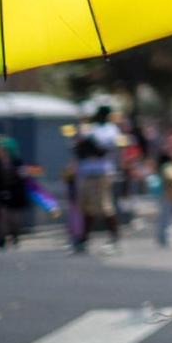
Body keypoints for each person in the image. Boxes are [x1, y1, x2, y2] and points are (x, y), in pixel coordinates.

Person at [73, 106, 122, 253]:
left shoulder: (111, 129)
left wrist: (91, 143)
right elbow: (80, 147)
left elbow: (104, 148)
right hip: (87, 171)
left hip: (102, 172)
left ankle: (114, 237)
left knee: (104, 205)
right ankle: (84, 239)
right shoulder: (91, 128)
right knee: (86, 206)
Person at [0, 137, 30, 250]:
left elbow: (23, 178)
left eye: (5, 149)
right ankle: (1, 239)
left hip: (15, 194)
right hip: (1, 193)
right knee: (2, 216)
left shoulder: (17, 162)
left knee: (14, 219)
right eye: (1, 149)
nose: (2, 152)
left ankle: (15, 236)